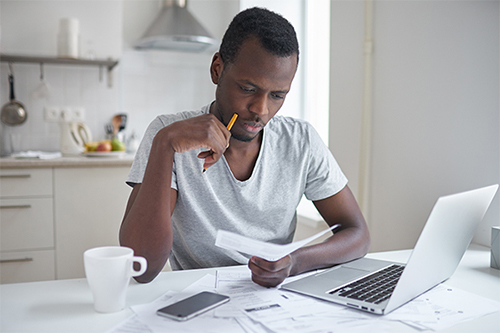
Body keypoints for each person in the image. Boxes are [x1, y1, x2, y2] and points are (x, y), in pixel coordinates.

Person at [119, 7, 370, 287]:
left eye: (277, 95)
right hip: (197, 301)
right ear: (217, 69)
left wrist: (295, 261)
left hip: (273, 299)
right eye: (248, 89)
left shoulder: (301, 140)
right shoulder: (169, 134)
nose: (260, 110)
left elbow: (357, 233)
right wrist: (164, 145)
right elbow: (142, 267)